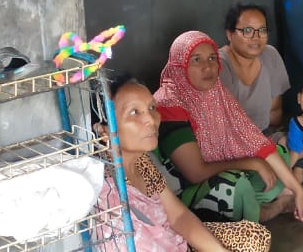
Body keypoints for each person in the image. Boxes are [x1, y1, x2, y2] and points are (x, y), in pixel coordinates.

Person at [96, 71, 272, 252]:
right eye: (134, 112)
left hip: (172, 239)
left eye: (151, 108)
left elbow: (178, 217)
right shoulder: (106, 189)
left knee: (254, 237)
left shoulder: (142, 161)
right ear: (103, 129)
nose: (151, 119)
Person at [153, 31, 303, 224]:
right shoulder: (169, 104)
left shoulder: (216, 92)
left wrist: (298, 189)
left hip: (224, 169)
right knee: (236, 185)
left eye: (212, 58)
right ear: (180, 65)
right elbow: (195, 173)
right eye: (196, 60)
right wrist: (251, 163)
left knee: (278, 156)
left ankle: (251, 204)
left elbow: (254, 139)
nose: (208, 67)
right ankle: (270, 209)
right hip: (185, 194)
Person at [219, 4, 291, 136]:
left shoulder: (270, 55)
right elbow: (220, 125)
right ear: (230, 34)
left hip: (265, 136)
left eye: (262, 30)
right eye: (247, 30)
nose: (256, 37)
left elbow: (275, 112)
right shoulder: (219, 65)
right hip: (231, 141)